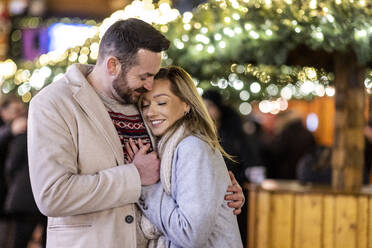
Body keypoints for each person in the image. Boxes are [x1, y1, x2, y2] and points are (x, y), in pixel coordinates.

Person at [27, 18, 244, 248]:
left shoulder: (142, 100)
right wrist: (135, 177)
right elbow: (53, 195)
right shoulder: (54, 103)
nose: (150, 85)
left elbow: (179, 165)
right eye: (144, 76)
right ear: (113, 66)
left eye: (153, 75)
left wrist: (216, 192)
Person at [126, 66, 243, 247]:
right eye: (145, 104)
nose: (150, 112)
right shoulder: (165, 147)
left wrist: (147, 186)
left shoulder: (193, 148)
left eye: (161, 103)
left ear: (186, 104)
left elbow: (190, 234)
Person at [202, 89, 263, 246]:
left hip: (232, 192)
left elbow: (250, 160)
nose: (207, 111)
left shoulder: (234, 132)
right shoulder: (200, 131)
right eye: (204, 106)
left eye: (210, 106)